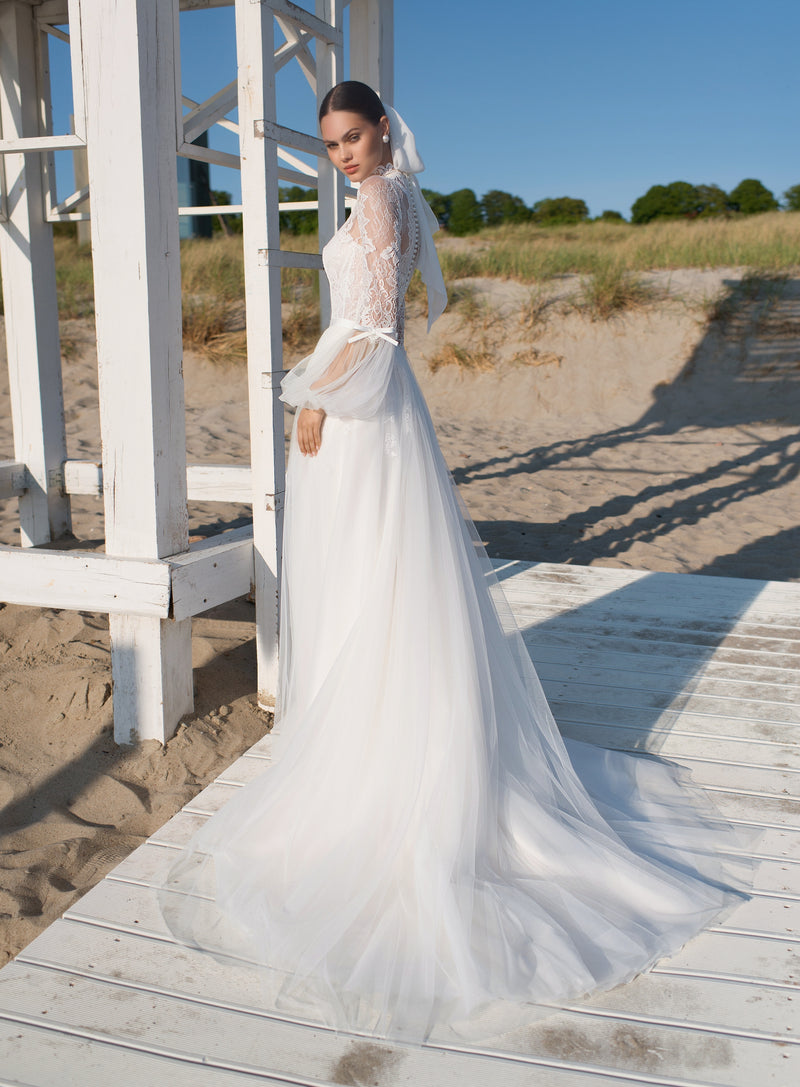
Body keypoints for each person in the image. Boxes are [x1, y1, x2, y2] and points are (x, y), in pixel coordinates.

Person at [157, 81, 753, 1046]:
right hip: (356, 410)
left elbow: (380, 333)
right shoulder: (369, 198)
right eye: (333, 142)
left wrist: (316, 396)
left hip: (363, 411)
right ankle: (373, 750)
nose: (344, 153)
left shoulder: (386, 198)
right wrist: (321, 386)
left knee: (387, 589)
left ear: (383, 130)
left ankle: (409, 783)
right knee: (369, 593)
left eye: (354, 137)